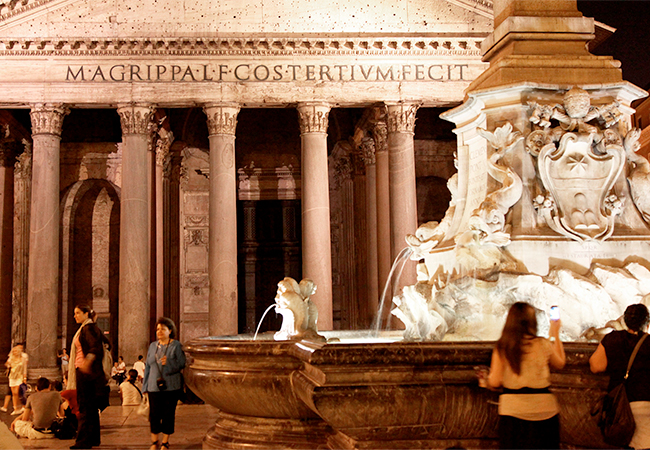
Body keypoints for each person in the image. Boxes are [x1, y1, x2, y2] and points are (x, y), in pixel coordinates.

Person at [482, 302, 566, 449]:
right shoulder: (542, 343)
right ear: (532, 321)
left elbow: (495, 382)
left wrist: (485, 381)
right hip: (545, 412)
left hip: (513, 414)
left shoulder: (503, 346)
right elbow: (560, 363)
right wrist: (555, 333)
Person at [590, 303, 650, 449]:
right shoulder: (649, 342)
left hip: (620, 403)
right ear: (647, 324)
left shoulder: (612, 339)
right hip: (645, 402)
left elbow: (596, 366)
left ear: (625, 321)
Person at [67, 304, 110, 449]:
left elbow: (95, 348)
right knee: (91, 407)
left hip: (85, 372)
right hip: (90, 373)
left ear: (86, 314)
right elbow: (106, 343)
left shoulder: (88, 328)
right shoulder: (90, 327)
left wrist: (87, 361)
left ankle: (83, 441)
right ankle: (93, 439)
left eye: (78, 313)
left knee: (85, 406)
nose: (75, 316)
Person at [143, 317, 186, 450]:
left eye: (163, 329)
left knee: (168, 414)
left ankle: (165, 442)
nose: (159, 331)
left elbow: (182, 364)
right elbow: (148, 368)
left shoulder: (176, 345)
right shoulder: (152, 346)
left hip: (171, 386)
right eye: (157, 329)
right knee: (154, 414)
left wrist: (169, 363)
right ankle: (154, 441)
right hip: (153, 386)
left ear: (170, 330)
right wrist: (144, 387)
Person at [1, 343, 28, 415]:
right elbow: (7, 365)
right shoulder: (11, 358)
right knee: (13, 393)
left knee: (17, 392)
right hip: (12, 376)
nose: (15, 352)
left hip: (19, 376)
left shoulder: (23, 359)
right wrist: (8, 364)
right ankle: (15, 408)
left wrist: (24, 377)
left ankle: (21, 406)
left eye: (16, 351)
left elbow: (24, 369)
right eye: (14, 351)